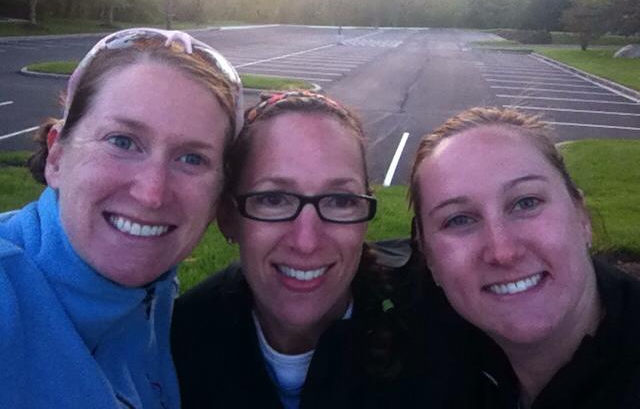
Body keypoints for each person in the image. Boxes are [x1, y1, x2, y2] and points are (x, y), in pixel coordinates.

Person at [0, 28, 243, 409]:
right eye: (122, 141)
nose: (152, 193)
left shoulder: (152, 293)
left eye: (192, 158)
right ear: (57, 156)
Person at [171, 90, 411, 409]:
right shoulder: (176, 346)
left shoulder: (433, 334)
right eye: (273, 199)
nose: (306, 242)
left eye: (340, 201)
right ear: (229, 218)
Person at [408, 106, 640, 408]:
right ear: (429, 258)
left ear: (581, 217)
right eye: (459, 220)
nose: (503, 253)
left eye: (526, 202)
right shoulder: (425, 356)